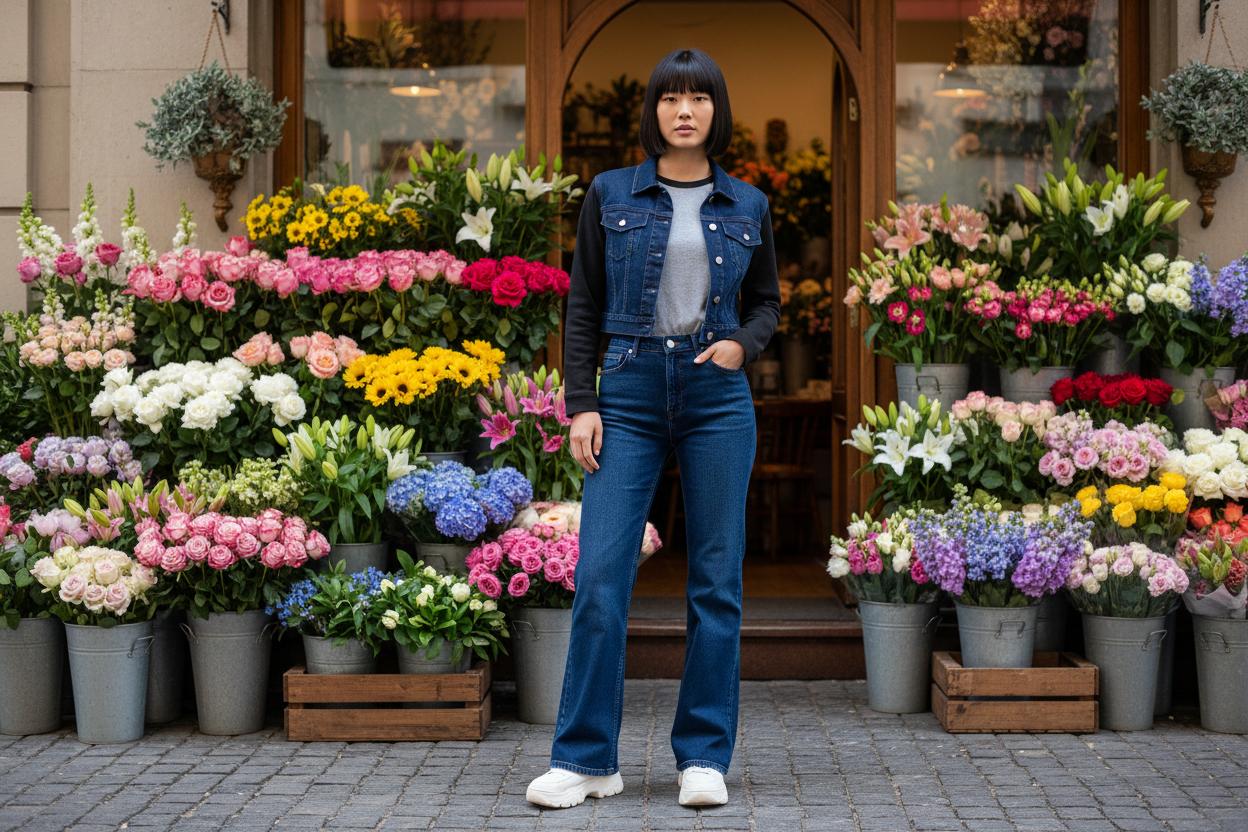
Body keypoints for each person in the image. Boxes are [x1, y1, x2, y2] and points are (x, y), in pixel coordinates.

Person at [525, 48, 781, 810]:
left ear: (715, 112)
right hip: (629, 393)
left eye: (699, 98)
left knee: (715, 581)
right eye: (671, 98)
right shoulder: (610, 195)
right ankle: (585, 759)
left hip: (716, 398)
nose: (684, 111)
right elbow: (583, 305)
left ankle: (702, 758)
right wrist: (581, 402)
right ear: (654, 112)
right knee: (601, 578)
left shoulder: (748, 205)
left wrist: (747, 342)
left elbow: (767, 301)